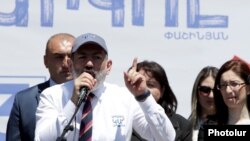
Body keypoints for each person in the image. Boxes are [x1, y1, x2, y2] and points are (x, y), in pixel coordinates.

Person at [34, 33, 176, 141]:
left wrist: (143, 96)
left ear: (108, 66)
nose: (89, 64)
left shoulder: (124, 98)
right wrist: (73, 101)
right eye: (82, 57)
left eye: (97, 58)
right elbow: (42, 138)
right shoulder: (52, 95)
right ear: (71, 65)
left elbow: (166, 138)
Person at [6, 33, 75, 141]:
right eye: (58, 57)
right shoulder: (24, 101)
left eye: (71, 56)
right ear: (46, 61)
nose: (66, 64)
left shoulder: (94, 97)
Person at [130, 60, 192, 141]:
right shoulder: (120, 121)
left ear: (162, 90)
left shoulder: (182, 125)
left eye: (150, 85)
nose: (143, 88)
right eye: (138, 83)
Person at [198, 59, 250, 140]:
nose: (228, 90)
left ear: (248, 88)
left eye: (234, 84)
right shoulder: (208, 128)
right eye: (223, 85)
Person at [188, 66, 218, 141]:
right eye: (205, 90)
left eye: (216, 90)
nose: (211, 95)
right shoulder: (186, 127)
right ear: (196, 91)